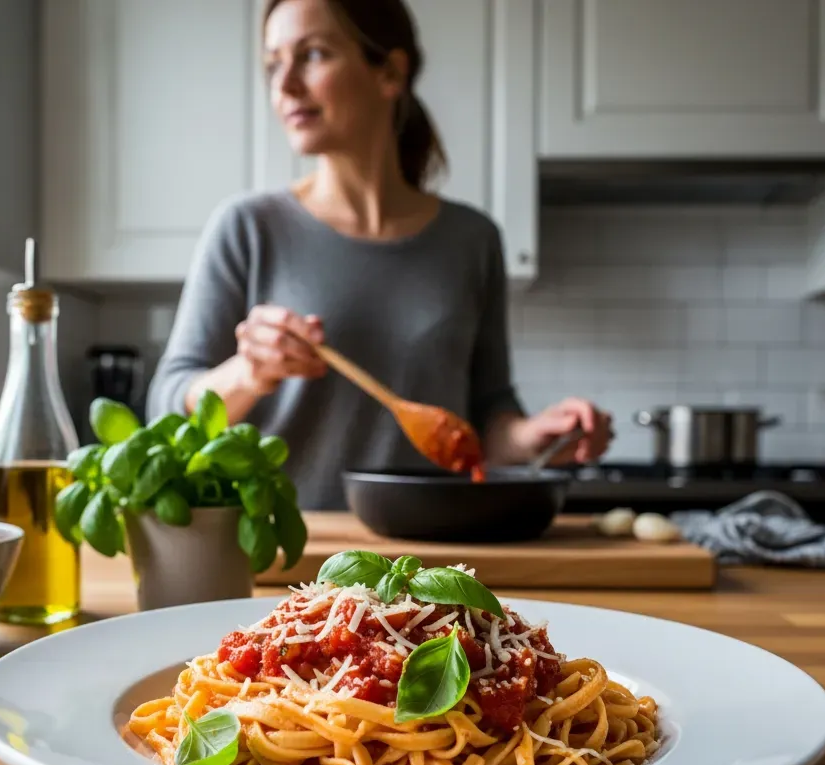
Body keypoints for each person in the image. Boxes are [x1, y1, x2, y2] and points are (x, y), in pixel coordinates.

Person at [148, 0, 614, 510]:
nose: (285, 86)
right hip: (291, 548)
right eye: (273, 64)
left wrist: (534, 437)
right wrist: (248, 373)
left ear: (390, 72)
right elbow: (165, 410)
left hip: (429, 547)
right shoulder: (247, 228)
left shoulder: (472, 240)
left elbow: (486, 420)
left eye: (313, 55)